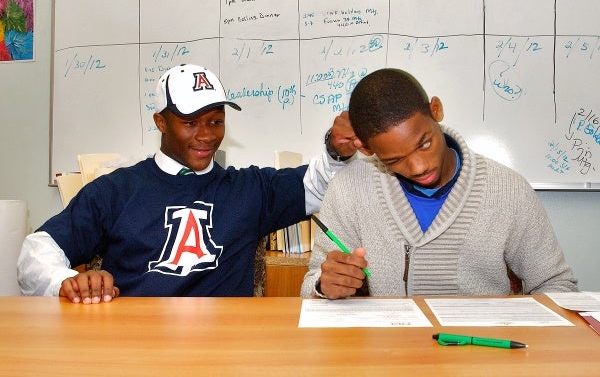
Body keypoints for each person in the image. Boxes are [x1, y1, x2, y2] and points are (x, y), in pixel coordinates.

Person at [18, 64, 359, 304]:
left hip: (224, 350)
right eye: (190, 122)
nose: (207, 135)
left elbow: (318, 185)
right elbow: (36, 251)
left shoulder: (249, 190)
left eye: (216, 121)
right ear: (161, 122)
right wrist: (67, 282)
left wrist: (335, 147)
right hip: (135, 346)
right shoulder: (116, 191)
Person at [301, 68, 578, 299]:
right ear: (368, 150)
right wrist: (323, 286)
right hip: (390, 356)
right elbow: (311, 285)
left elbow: (557, 285)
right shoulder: (349, 190)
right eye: (395, 160)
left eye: (425, 143)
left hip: (483, 352)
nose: (419, 167)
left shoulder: (507, 189)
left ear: (436, 110)